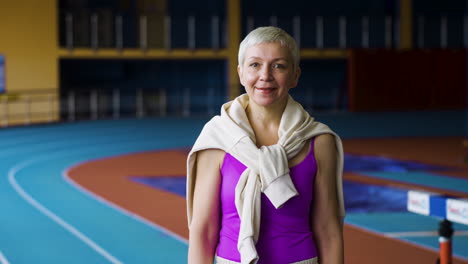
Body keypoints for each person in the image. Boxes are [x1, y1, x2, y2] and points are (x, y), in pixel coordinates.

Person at [186, 26, 345, 264]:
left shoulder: (318, 141)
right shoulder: (217, 139)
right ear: (240, 73)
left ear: (295, 75)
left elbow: (329, 231)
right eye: (255, 65)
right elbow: (203, 232)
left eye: (279, 65)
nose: (265, 76)